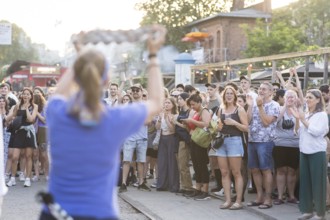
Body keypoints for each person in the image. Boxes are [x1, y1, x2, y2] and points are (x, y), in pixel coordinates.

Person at [39, 25, 166, 220]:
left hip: (56, 213)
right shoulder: (114, 119)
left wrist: (80, 57)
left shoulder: (56, 111)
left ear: (77, 76)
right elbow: (156, 102)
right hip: (98, 213)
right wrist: (153, 54)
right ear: (107, 80)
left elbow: (59, 93)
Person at [292, 89, 328, 220]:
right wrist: (298, 120)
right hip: (304, 151)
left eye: (310, 97)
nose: (307, 99)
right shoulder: (305, 114)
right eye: (306, 97)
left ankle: (320, 213)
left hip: (317, 152)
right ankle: (307, 210)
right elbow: (296, 132)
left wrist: (303, 120)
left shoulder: (322, 115)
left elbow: (317, 132)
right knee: (305, 182)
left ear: (318, 100)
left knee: (318, 183)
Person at [246, 82, 280, 209]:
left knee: (266, 169)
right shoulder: (254, 104)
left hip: (265, 141)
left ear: (271, 92)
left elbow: (266, 122)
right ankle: (259, 196)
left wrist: (260, 107)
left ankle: (268, 198)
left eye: (264, 89)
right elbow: (247, 121)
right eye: (259, 89)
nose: (261, 91)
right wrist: (250, 107)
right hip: (252, 140)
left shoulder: (274, 105)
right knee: (254, 169)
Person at [216, 86, 248, 210]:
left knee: (236, 172)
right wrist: (218, 127)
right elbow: (218, 124)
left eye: (231, 94)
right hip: (222, 140)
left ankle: (238, 201)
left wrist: (234, 123)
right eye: (227, 94)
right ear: (224, 96)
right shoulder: (221, 109)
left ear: (234, 95)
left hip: (235, 140)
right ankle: (228, 200)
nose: (229, 95)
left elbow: (246, 128)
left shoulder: (239, 110)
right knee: (224, 172)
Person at [5, 88, 38, 187]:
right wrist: (8, 116)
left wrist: (27, 108)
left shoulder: (34, 106)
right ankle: (12, 178)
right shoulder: (18, 105)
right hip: (19, 132)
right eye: (24, 94)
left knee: (28, 156)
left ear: (31, 96)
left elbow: (31, 119)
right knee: (15, 157)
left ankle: (27, 178)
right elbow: (12, 116)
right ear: (22, 95)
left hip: (28, 132)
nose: (26, 96)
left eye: (28, 94)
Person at [182, 92, 212, 200]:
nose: (192, 107)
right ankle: (198, 188)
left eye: (194, 104)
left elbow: (206, 124)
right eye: (191, 105)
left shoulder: (204, 111)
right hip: (194, 139)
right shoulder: (196, 112)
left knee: (202, 165)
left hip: (201, 141)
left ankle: (205, 190)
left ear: (200, 102)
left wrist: (191, 120)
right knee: (196, 165)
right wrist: (186, 124)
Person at [273, 90, 300, 205]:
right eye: (288, 97)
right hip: (280, 144)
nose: (290, 99)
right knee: (281, 170)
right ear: (284, 98)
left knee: (292, 171)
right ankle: (280, 196)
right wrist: (285, 106)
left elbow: (298, 129)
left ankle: (291, 196)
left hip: (294, 145)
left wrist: (297, 116)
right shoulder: (279, 109)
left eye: (292, 97)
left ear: (296, 98)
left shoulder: (299, 110)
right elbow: (276, 120)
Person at [156, 97, 180, 192]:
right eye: (165, 103)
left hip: (171, 138)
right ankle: (162, 184)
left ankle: (173, 185)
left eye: (168, 103)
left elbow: (172, 129)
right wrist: (159, 119)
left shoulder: (175, 115)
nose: (166, 105)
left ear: (173, 105)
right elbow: (158, 127)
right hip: (162, 138)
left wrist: (166, 118)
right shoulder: (161, 114)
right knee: (162, 162)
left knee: (172, 162)